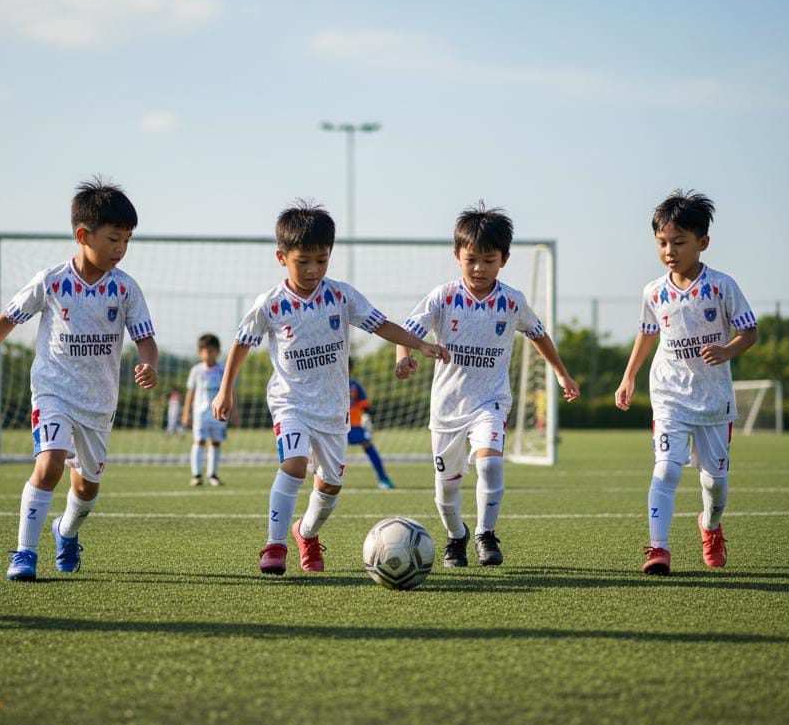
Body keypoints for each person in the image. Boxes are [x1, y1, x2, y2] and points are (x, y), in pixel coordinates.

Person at [212, 200, 449, 575]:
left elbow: (381, 324)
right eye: (303, 261)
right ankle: (274, 546)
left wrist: (419, 344)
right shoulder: (270, 304)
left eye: (321, 260)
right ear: (282, 257)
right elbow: (242, 343)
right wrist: (225, 389)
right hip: (290, 402)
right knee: (292, 464)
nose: (313, 269)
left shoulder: (341, 295)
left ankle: (306, 533)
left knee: (331, 487)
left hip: (333, 409)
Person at [0, 178, 158, 581]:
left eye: (127, 241)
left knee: (86, 491)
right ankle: (25, 553)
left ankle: (65, 532)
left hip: (98, 404)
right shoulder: (51, 280)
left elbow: (146, 340)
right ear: (83, 235)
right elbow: (6, 320)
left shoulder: (125, 288)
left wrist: (148, 364)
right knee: (48, 465)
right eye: (114, 239)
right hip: (53, 392)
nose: (120, 249)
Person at [395, 202, 580, 568]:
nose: (479, 268)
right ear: (457, 256)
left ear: (504, 259)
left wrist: (561, 372)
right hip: (447, 407)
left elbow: (538, 335)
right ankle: (456, 537)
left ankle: (485, 534)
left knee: (491, 465)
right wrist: (404, 356)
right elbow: (407, 332)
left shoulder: (512, 301)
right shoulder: (443, 297)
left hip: (490, 402)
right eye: (471, 260)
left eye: (489, 260)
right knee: (446, 490)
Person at [615, 190, 758, 576]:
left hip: (713, 401)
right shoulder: (653, 291)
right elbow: (647, 334)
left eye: (679, 242)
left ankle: (710, 526)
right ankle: (658, 549)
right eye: (662, 243)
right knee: (665, 470)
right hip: (669, 395)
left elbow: (750, 331)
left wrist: (727, 351)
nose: (669, 251)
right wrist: (628, 377)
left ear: (702, 243)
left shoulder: (722, 286)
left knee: (715, 485)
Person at [182, 333, 232, 486]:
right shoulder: (196, 370)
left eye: (211, 350)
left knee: (216, 442)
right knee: (199, 441)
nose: (207, 354)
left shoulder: (223, 370)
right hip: (200, 413)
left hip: (218, 413)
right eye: (204, 350)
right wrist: (186, 413)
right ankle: (196, 474)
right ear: (199, 352)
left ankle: (212, 475)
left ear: (217, 351)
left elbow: (230, 391)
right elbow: (190, 392)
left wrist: (234, 411)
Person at [348, 360, 393, 489]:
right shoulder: (331, 384)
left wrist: (366, 417)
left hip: (354, 425)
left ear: (351, 369)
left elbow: (365, 405)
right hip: (334, 425)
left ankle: (383, 479)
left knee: (369, 447)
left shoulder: (354, 386)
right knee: (327, 453)